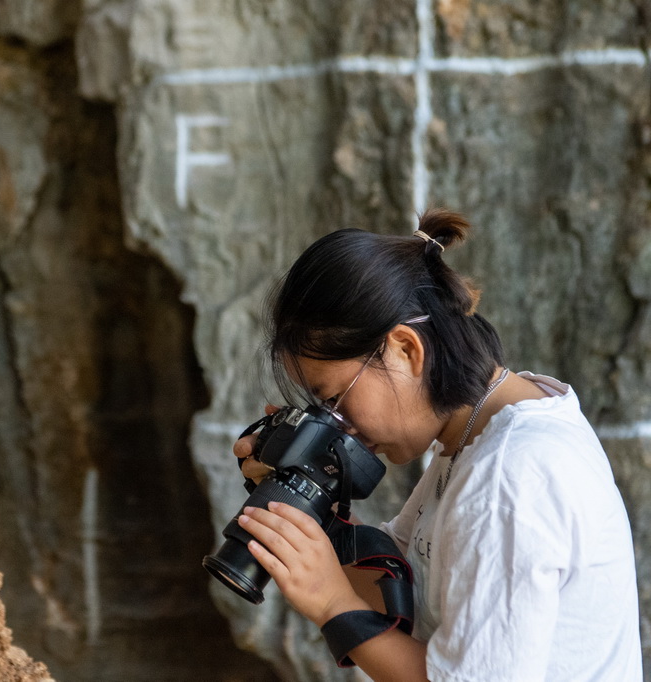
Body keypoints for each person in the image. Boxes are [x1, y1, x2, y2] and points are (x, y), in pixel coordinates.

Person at [231, 209, 642, 681]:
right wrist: (300, 499)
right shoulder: (478, 440)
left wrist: (330, 602)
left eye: (336, 400)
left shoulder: (510, 477)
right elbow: (400, 588)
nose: (341, 427)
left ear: (406, 349)